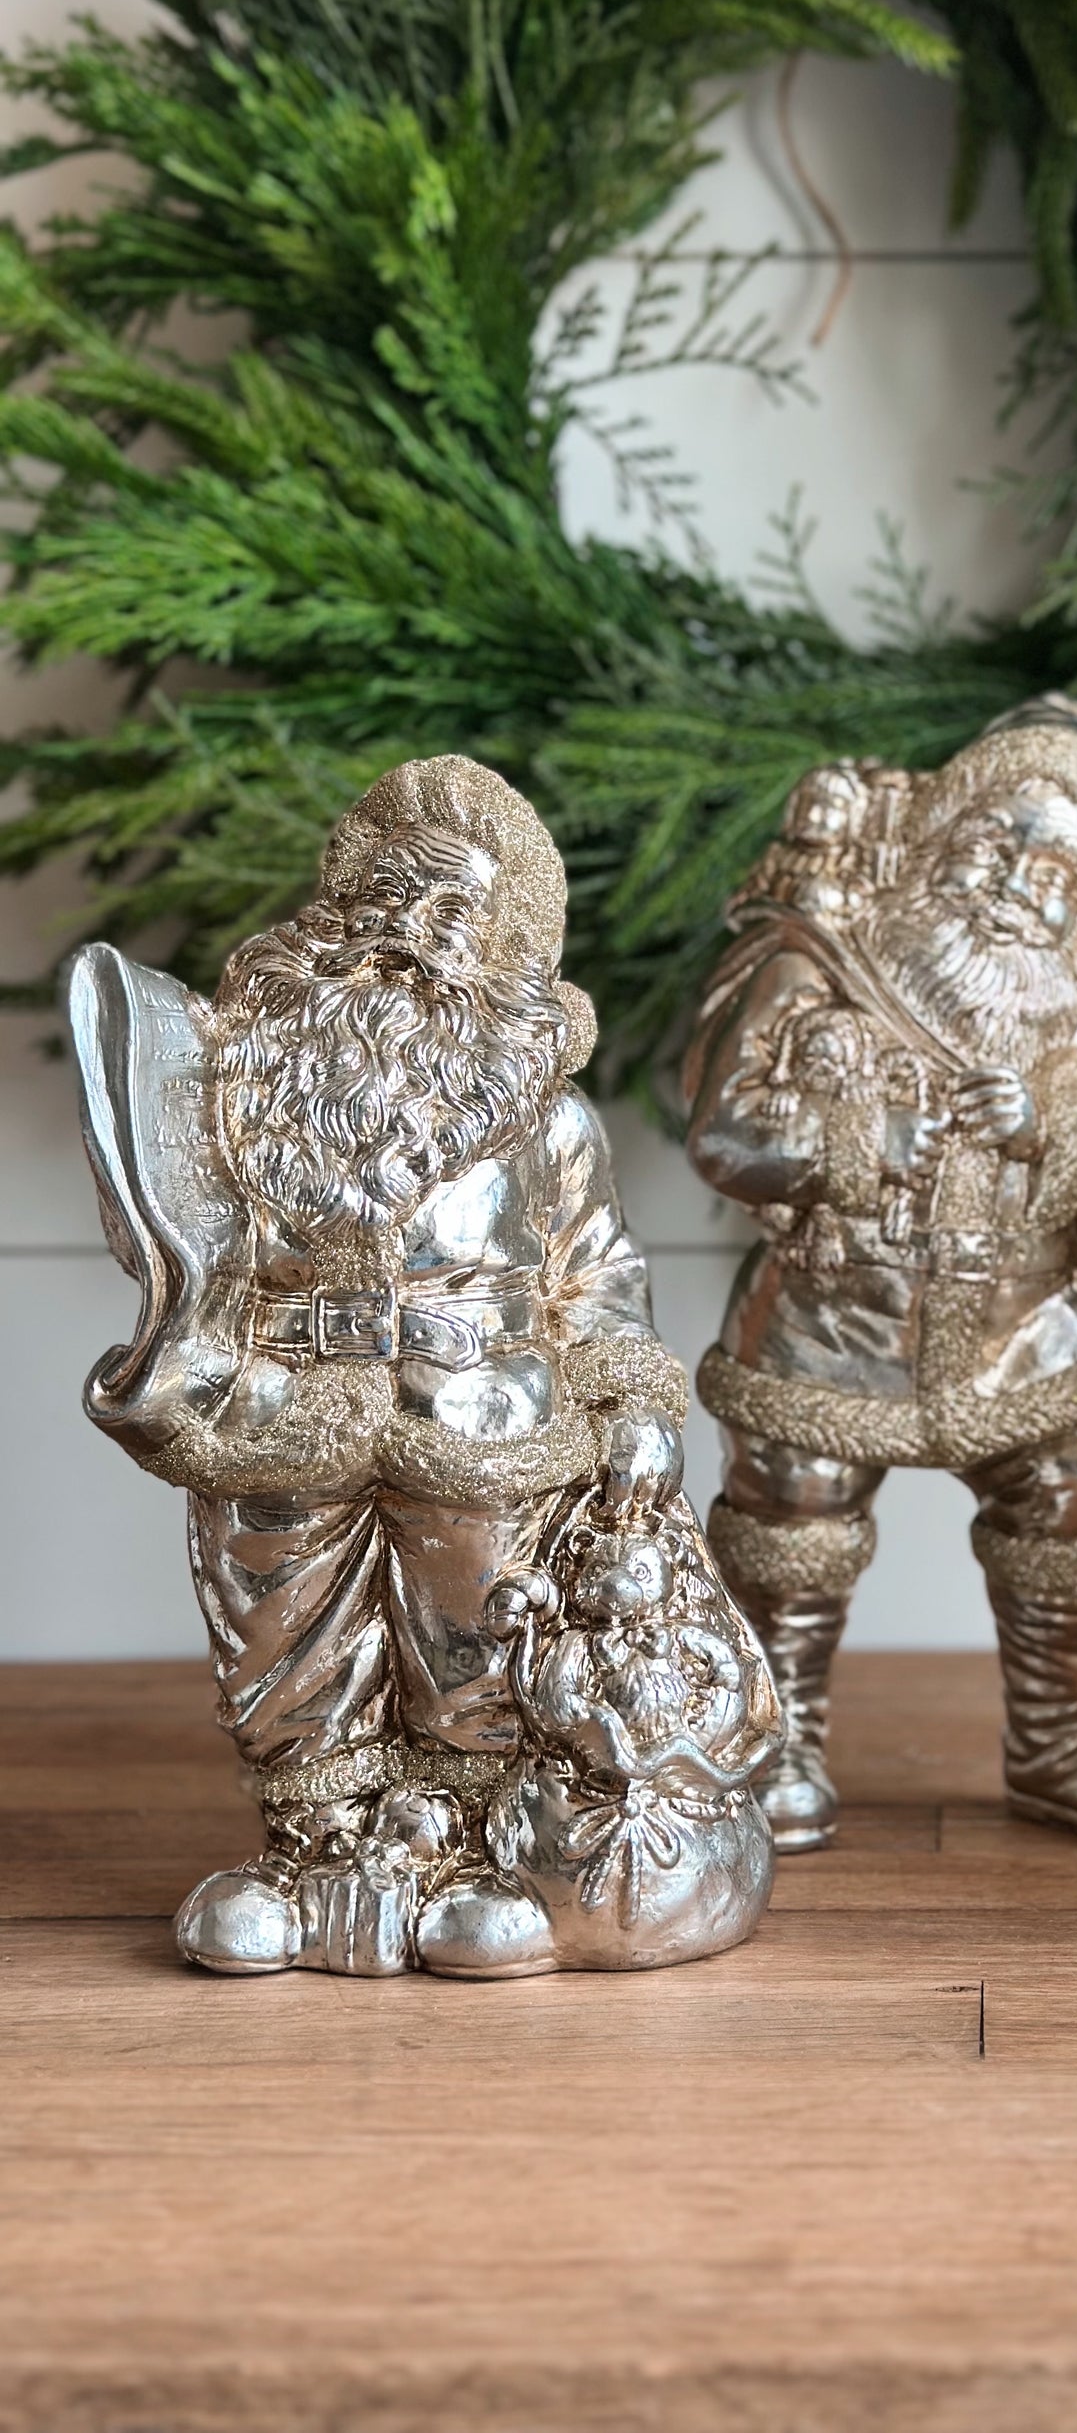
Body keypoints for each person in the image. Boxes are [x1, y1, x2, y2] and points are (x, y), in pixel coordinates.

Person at [74, 756, 747, 1975]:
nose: (404, 932)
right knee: (279, 1627)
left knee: (481, 1630)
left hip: (482, 1423)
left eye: (447, 909)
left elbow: (598, 1275)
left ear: (501, 944)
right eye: (383, 894)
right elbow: (194, 1252)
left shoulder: (546, 1120)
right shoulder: (242, 1095)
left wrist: (636, 1404)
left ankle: (468, 1843)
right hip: (282, 1414)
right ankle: (311, 1847)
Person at [683, 699, 1077, 1853]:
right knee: (791, 1506)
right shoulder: (813, 965)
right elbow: (725, 1132)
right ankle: (769, 1734)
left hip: (1019, 1331)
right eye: (992, 843)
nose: (1016, 886)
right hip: (829, 1323)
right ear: (934, 842)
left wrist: (1041, 1135)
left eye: (1057, 874)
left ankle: (1069, 1738)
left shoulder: (1076, 1027)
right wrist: (862, 1142)